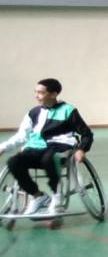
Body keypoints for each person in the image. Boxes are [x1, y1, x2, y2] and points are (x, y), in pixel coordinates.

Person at [0, 78, 94, 216]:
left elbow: (87, 134)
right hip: (36, 149)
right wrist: (3, 147)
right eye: (36, 92)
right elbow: (21, 136)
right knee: (14, 162)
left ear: (53, 94)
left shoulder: (68, 110)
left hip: (60, 147)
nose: (36, 96)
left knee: (48, 159)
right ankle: (38, 196)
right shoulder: (33, 113)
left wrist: (81, 149)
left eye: (40, 92)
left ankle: (57, 197)